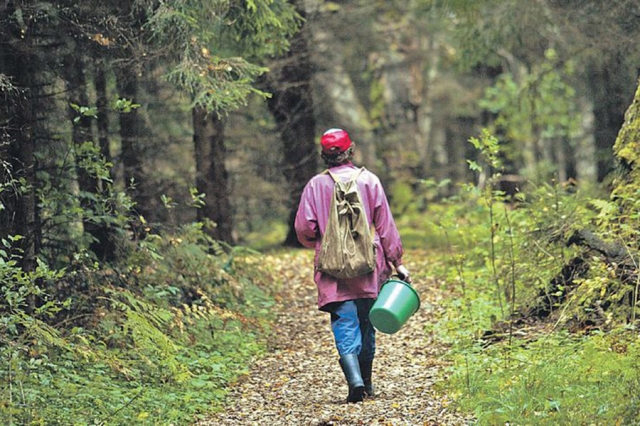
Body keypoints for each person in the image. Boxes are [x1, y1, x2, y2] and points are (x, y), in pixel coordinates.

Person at [294, 128, 411, 403]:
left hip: (332, 270)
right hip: (369, 267)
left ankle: (354, 380)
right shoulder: (370, 181)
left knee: (344, 321)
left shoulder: (315, 186)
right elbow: (386, 227)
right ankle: (367, 381)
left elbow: (304, 227)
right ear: (352, 150)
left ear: (324, 156)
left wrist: (321, 242)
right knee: (367, 323)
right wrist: (398, 263)